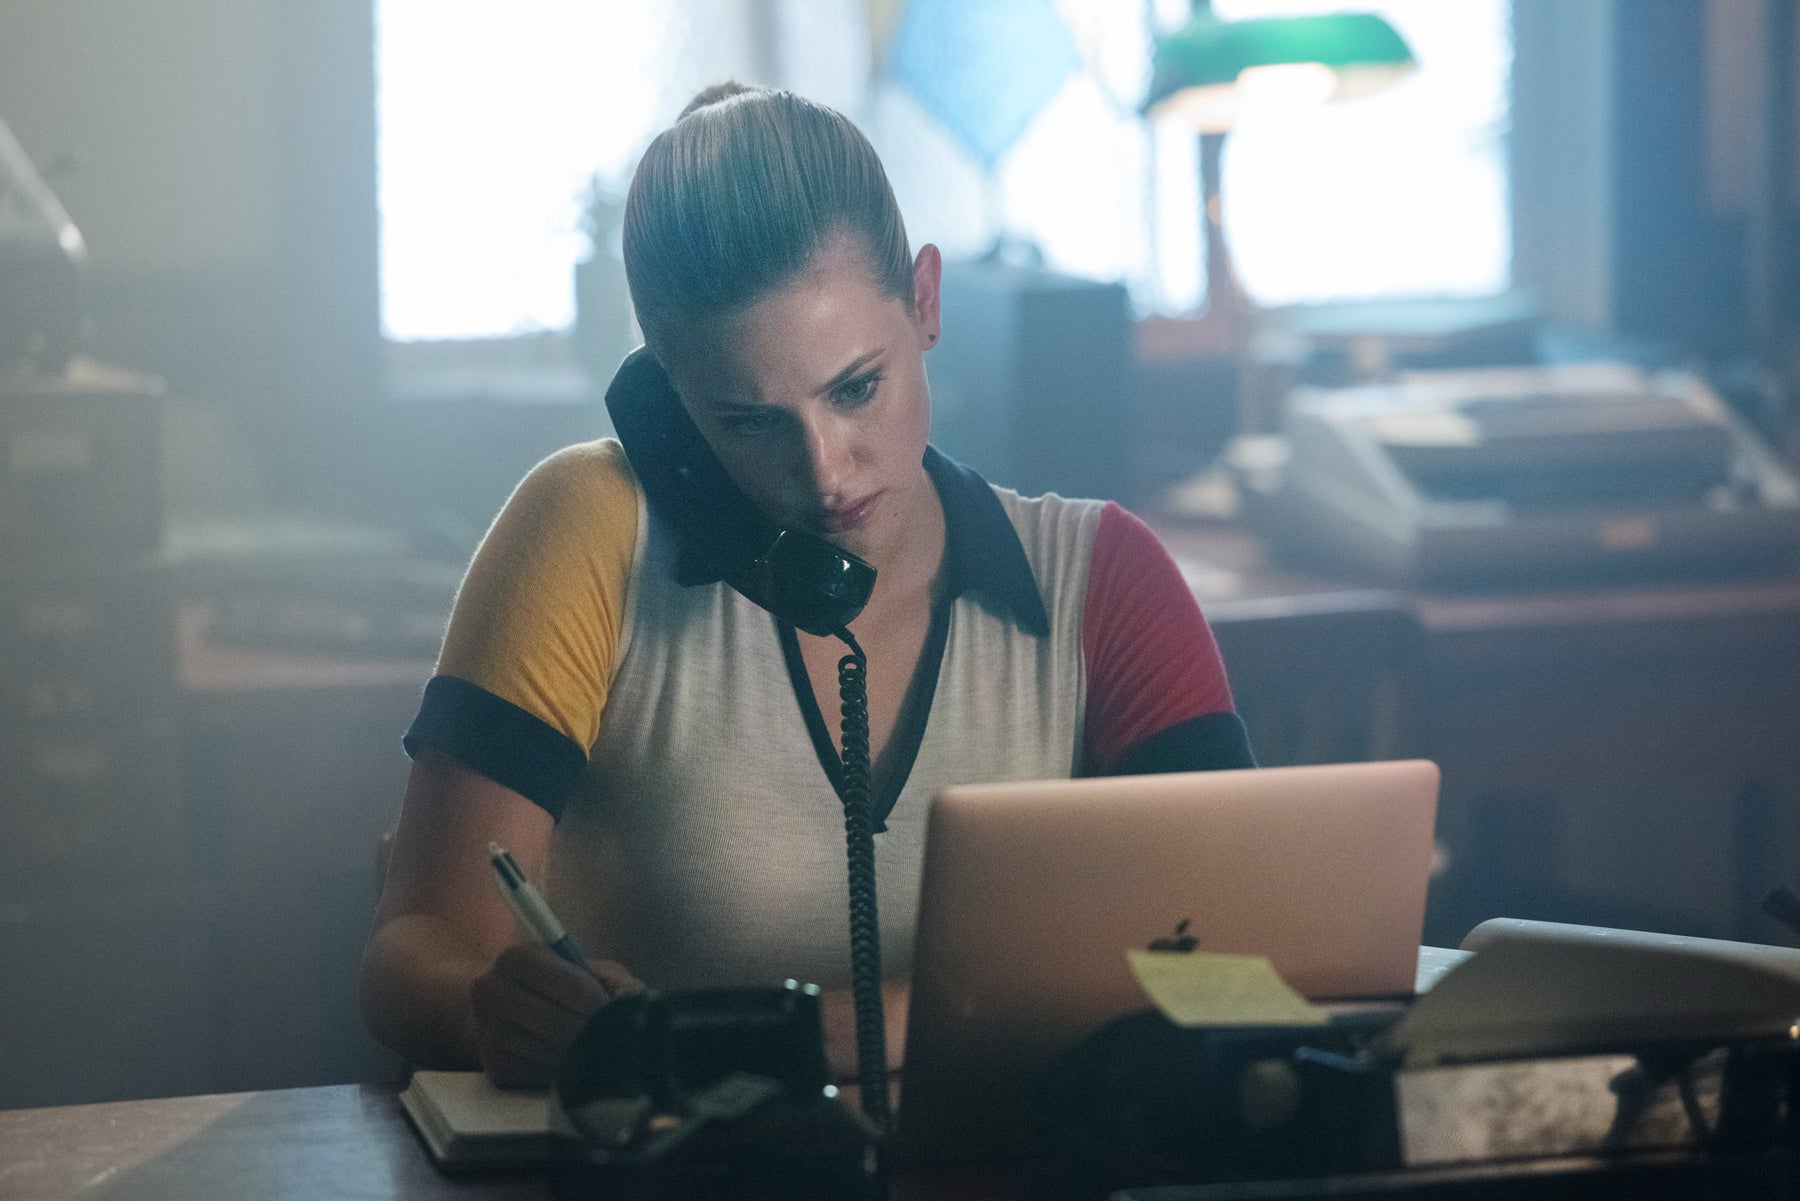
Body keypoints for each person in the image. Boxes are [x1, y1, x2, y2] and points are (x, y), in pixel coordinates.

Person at [359, 83, 1255, 1089]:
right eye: (747, 421)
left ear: (926, 300)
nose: (825, 473)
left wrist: (769, 1042)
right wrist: (488, 1005)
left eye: (856, 388)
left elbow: (1233, 959)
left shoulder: (1103, 578)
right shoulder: (590, 529)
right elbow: (413, 951)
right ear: (667, 391)